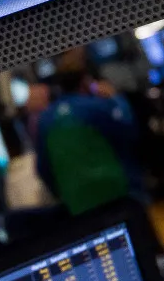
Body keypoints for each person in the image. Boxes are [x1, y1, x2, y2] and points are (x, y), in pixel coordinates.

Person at [30, 53, 143, 216]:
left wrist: (63, 195)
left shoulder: (45, 120)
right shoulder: (98, 107)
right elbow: (131, 133)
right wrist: (115, 97)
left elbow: (42, 169)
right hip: (119, 194)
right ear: (86, 81)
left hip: (77, 205)